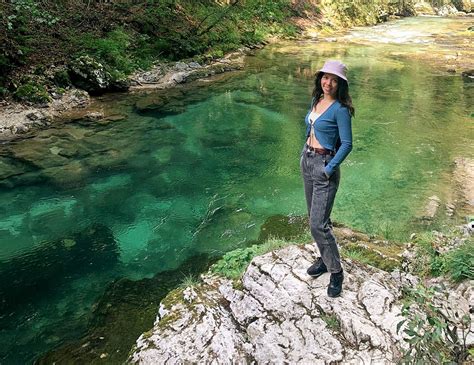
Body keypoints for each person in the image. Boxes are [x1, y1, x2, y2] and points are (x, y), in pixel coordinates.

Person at [300, 60, 354, 298]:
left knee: (317, 224)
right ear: (320, 78)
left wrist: (329, 168)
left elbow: (348, 144)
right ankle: (324, 258)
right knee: (318, 218)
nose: (328, 83)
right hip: (307, 160)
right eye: (325, 77)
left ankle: (336, 272)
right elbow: (311, 126)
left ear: (340, 84)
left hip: (324, 167)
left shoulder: (340, 110)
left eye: (333, 80)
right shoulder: (317, 100)